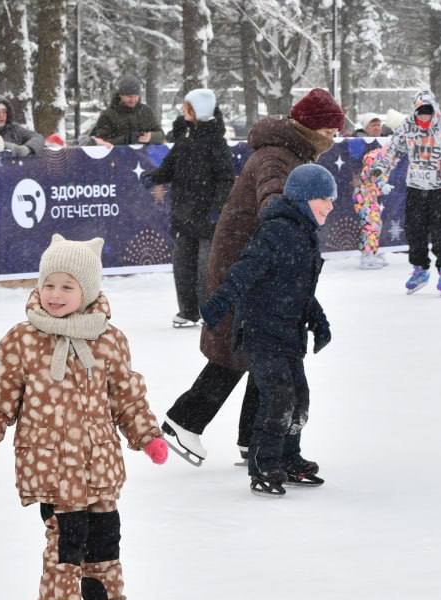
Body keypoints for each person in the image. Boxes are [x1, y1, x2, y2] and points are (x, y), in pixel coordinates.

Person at [0, 235, 167, 600]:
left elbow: (127, 397)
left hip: (99, 460)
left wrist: (148, 436)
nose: (55, 294)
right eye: (49, 284)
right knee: (67, 539)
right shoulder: (23, 339)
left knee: (105, 535)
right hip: (50, 464)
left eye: (67, 286)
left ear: (87, 291)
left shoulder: (109, 339)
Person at [161, 87, 343, 468]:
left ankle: (253, 436)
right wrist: (290, 233)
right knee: (240, 349)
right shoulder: (278, 156)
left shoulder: (291, 152)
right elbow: (273, 200)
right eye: (329, 130)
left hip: (260, 259)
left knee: (265, 348)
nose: (333, 138)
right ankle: (184, 421)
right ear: (310, 127)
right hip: (248, 260)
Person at [200, 164, 335, 495]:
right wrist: (218, 304)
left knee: (298, 398)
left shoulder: (305, 235)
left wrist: (319, 321)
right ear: (304, 199)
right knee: (278, 397)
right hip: (261, 332)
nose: (330, 206)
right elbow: (243, 272)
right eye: (325, 199)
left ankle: (289, 458)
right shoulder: (275, 233)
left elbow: (300, 288)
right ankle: (263, 464)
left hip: (290, 333)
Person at [142, 88, 235, 328]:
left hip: (206, 216)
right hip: (183, 213)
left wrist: (217, 208)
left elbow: (226, 178)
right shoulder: (184, 138)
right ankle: (188, 311)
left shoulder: (216, 142)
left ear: (198, 111)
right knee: (183, 265)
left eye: (188, 108)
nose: (183, 112)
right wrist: (155, 177)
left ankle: (209, 311)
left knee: (206, 268)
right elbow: (170, 166)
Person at [374, 88, 441, 296]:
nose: (424, 117)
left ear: (435, 110)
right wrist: (381, 167)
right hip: (417, 184)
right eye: (420, 112)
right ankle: (420, 268)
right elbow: (393, 149)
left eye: (428, 112)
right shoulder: (408, 126)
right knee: (414, 228)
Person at [89, 75, 166, 147]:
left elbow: (161, 135)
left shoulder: (146, 111)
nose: (133, 100)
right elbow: (102, 143)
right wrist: (128, 139)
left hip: (143, 155)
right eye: (129, 96)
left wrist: (151, 137)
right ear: (120, 95)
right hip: (118, 156)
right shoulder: (108, 115)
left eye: (136, 96)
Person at [354, 139, 393, 269]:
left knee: (375, 225)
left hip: (370, 196)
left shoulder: (386, 158)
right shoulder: (376, 157)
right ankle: (367, 256)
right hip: (364, 196)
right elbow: (370, 175)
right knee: (370, 226)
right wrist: (381, 185)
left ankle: (372, 252)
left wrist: (381, 186)